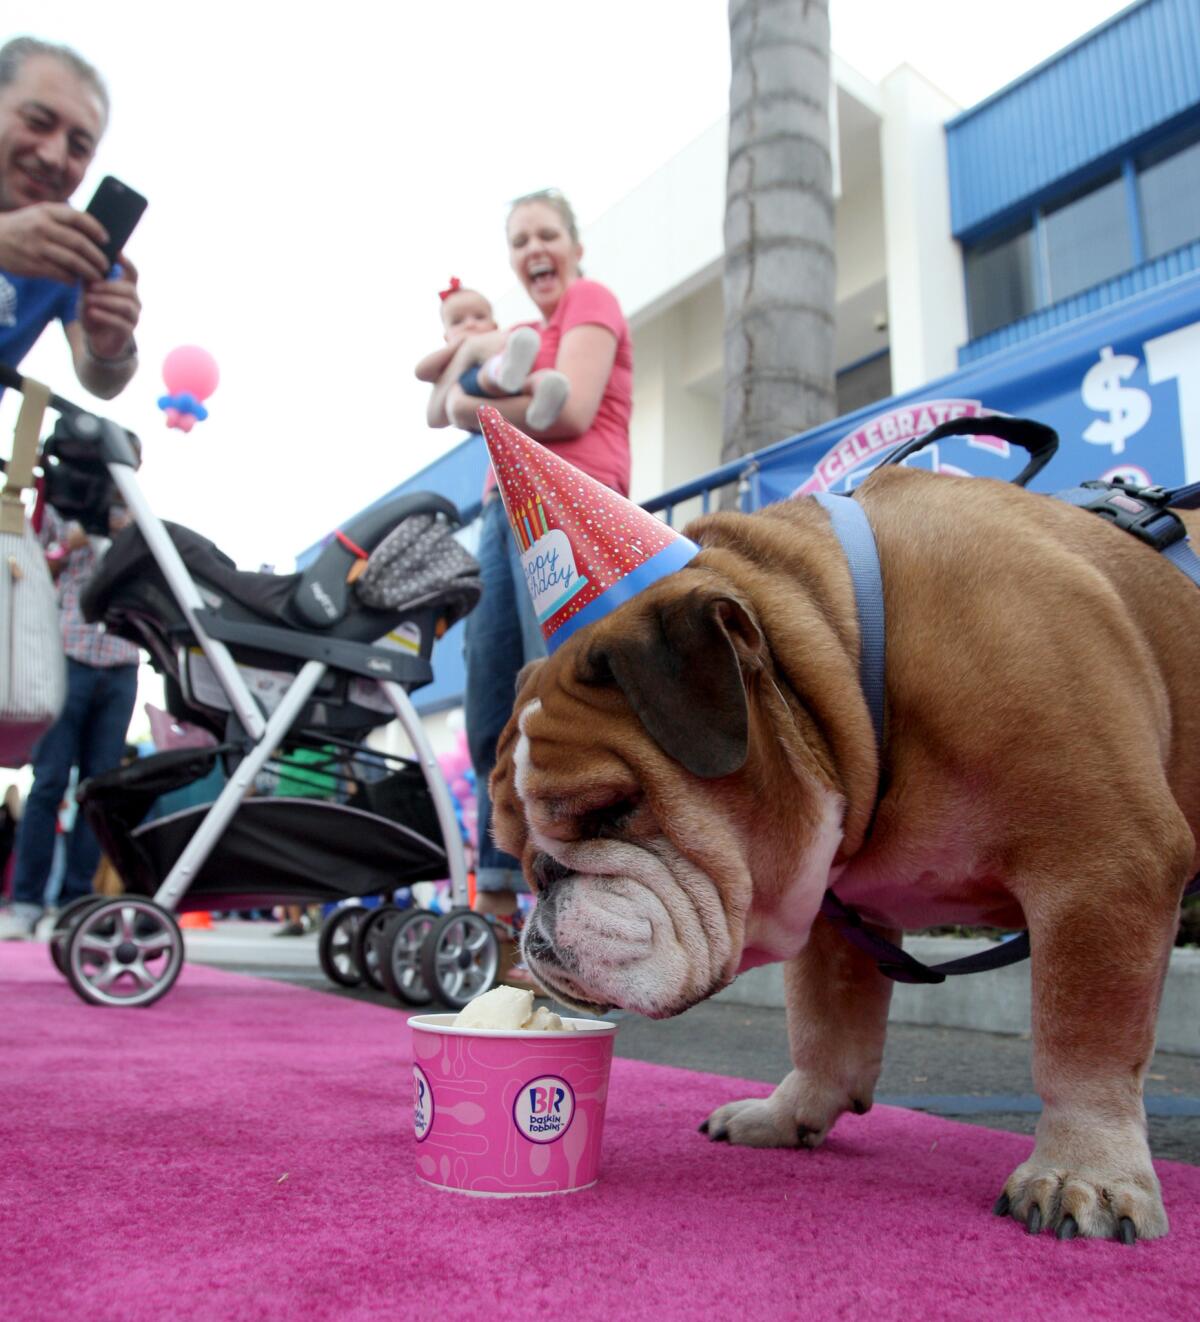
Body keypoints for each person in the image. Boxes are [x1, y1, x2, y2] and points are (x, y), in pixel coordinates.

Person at [450, 189, 633, 982]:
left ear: (575, 245)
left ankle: (577, 917)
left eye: (547, 233)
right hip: (501, 508)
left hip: (568, 505)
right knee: (490, 705)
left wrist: (482, 406)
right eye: (520, 238)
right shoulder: (523, 335)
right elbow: (455, 394)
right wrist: (476, 401)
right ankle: (495, 901)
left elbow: (571, 412)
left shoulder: (593, 299)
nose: (534, 249)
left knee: (555, 708)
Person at [0, 494, 140, 938]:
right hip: (69, 659)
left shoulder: (141, 521)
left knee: (99, 791)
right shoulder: (62, 514)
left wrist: (128, 534)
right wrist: (72, 544)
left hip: (121, 662)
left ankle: (77, 902)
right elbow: (29, 572)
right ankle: (25, 901)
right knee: (49, 783)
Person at [0, 36, 141, 397]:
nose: (53, 156)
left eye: (78, 147)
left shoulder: (72, 247)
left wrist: (109, 348)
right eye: (38, 122)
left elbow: (102, 382)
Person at [415, 277, 569, 431]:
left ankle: (547, 385)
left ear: (494, 326)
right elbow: (421, 371)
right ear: (446, 336)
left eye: (479, 317)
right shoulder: (448, 358)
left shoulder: (498, 340)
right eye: (457, 322)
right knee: (489, 373)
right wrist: (454, 346)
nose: (470, 324)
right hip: (478, 388)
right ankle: (506, 374)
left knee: (527, 380)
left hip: (512, 384)